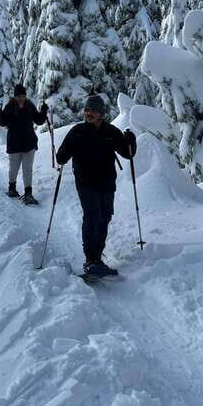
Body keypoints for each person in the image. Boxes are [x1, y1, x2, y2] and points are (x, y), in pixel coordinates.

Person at [56, 95, 137, 277]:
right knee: (92, 216)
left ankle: (97, 258)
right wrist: (64, 153)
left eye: (92, 110)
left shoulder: (110, 132)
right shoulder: (77, 132)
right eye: (86, 110)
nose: (88, 113)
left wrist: (131, 141)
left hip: (107, 182)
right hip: (85, 182)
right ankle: (90, 259)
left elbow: (127, 153)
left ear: (101, 113)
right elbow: (61, 157)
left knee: (105, 218)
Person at [0, 84, 48, 205]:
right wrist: (0, 116)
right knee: (14, 168)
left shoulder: (30, 106)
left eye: (23, 96)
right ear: (15, 97)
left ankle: (28, 194)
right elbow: (3, 122)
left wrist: (44, 111)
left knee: (27, 169)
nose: (21, 98)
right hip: (14, 144)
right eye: (19, 96)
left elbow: (39, 120)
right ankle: (12, 189)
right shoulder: (9, 107)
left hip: (29, 143)